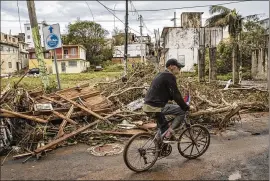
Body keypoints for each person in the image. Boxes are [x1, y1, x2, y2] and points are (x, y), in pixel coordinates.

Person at [143, 58, 190, 142]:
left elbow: (168, 93)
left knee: (163, 125)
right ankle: (169, 134)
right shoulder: (170, 76)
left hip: (147, 106)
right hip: (156, 107)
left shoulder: (160, 74)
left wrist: (174, 98)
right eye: (178, 67)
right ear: (171, 66)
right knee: (181, 111)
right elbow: (176, 94)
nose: (179, 69)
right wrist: (185, 107)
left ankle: (160, 144)